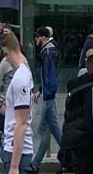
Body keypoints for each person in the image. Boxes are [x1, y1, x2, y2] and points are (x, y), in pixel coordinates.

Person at [0, 32, 36, 174]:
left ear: (10, 49)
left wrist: (14, 166)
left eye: (5, 54)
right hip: (16, 148)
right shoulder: (24, 73)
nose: (6, 59)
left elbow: (21, 122)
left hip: (16, 151)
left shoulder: (21, 78)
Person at [32, 26, 62, 170]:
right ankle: (36, 163)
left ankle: (35, 163)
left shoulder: (48, 52)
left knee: (43, 128)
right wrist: (41, 90)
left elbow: (49, 75)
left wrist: (45, 91)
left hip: (48, 95)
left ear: (42, 37)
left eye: (37, 37)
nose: (36, 39)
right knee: (52, 128)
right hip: (48, 93)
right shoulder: (51, 49)